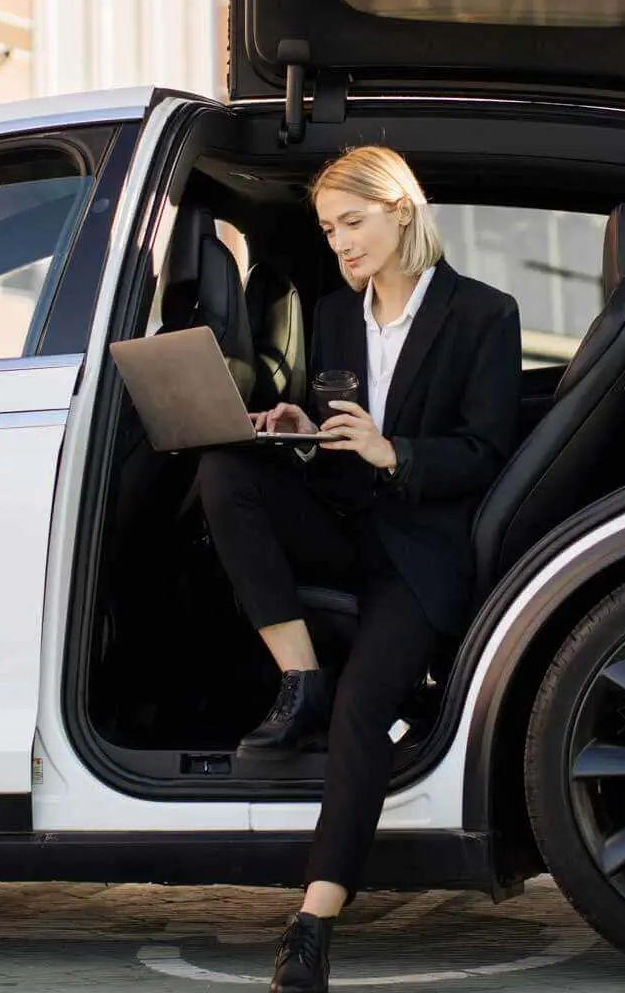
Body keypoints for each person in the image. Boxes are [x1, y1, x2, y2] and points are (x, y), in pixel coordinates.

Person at [194, 145, 521, 992]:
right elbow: (337, 447)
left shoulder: (486, 313)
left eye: (353, 222)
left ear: (401, 211)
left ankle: (313, 924)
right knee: (226, 470)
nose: (340, 242)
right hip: (345, 523)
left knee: (363, 711)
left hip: (422, 554)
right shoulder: (335, 315)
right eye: (328, 228)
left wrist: (393, 451)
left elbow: (488, 454)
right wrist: (302, 427)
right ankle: (296, 677)